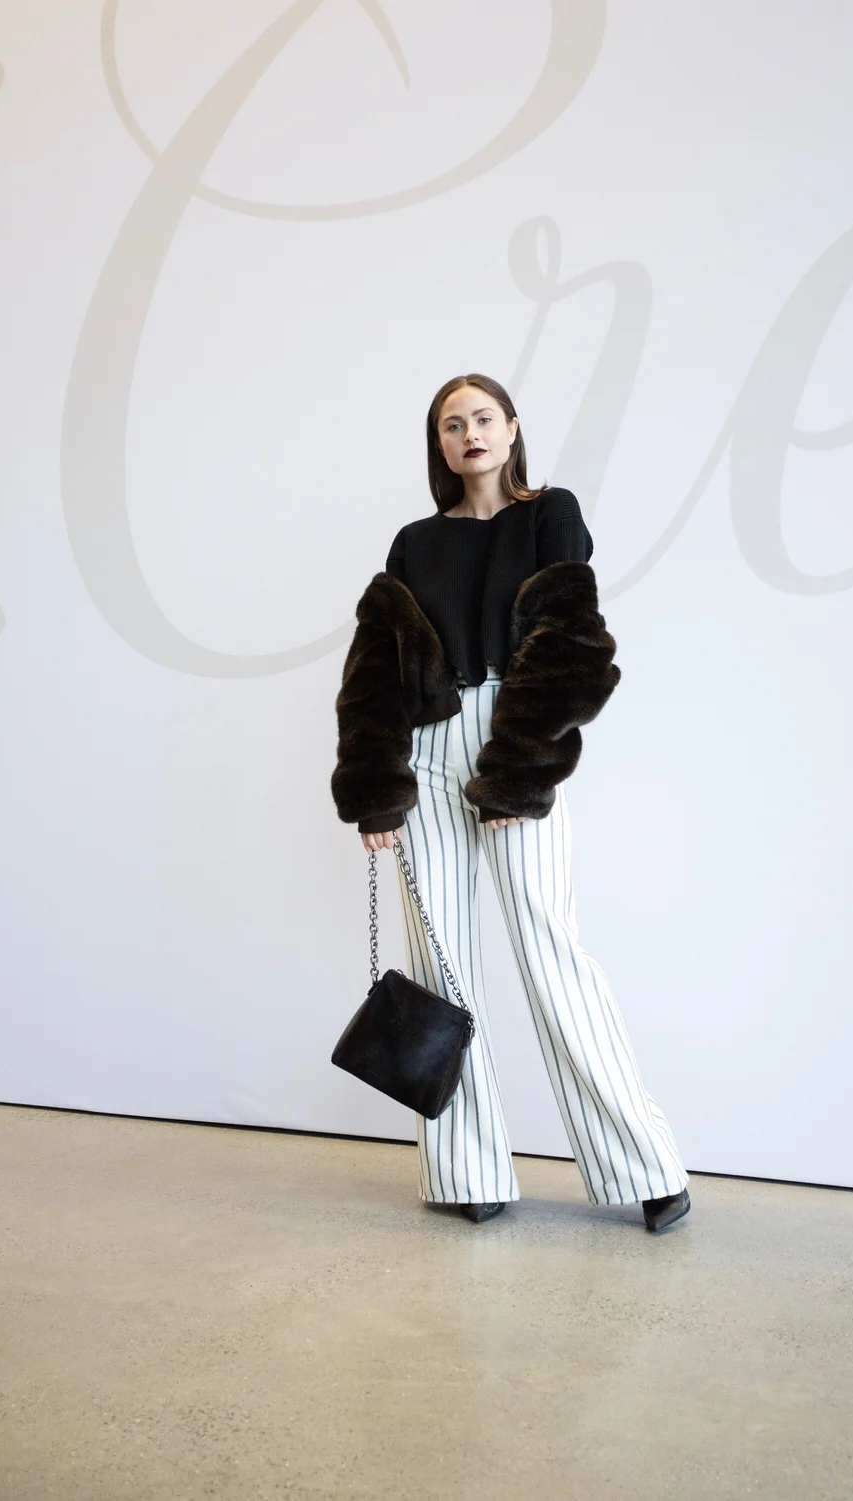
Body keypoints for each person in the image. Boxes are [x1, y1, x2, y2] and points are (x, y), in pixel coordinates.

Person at [330, 373, 690, 1233]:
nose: (470, 433)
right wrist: (376, 789)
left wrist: (519, 771)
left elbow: (574, 646)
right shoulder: (414, 543)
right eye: (452, 424)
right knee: (439, 963)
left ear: (513, 427)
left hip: (512, 735)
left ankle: (644, 1163)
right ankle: (467, 1172)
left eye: (483, 417)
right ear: (440, 444)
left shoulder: (549, 515)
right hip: (428, 748)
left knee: (550, 948)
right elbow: (373, 671)